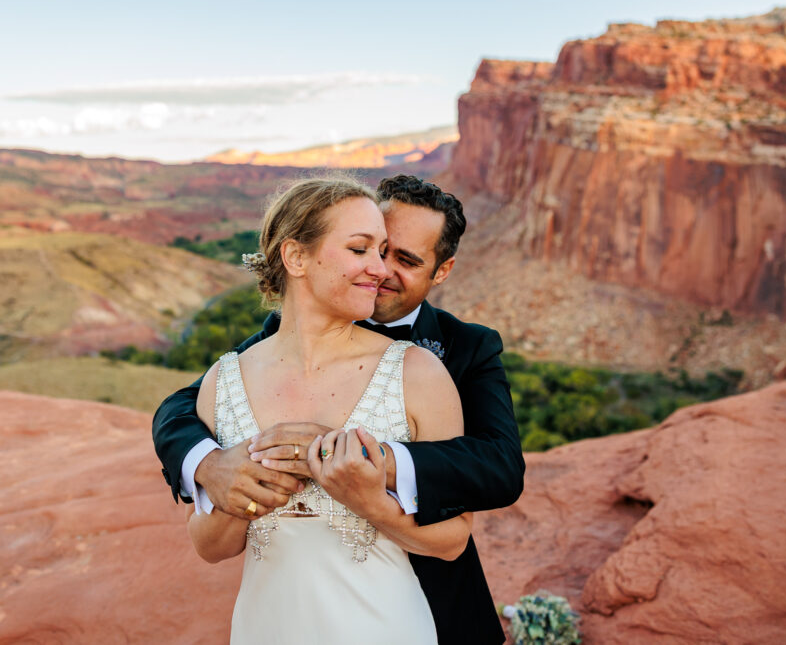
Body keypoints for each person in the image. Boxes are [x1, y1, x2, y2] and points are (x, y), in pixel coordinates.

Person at [153, 175, 525, 643]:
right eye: (368, 247)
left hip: (420, 607)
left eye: (403, 259)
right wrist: (211, 465)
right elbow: (183, 405)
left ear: (441, 271)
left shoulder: (456, 352)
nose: (381, 269)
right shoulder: (255, 355)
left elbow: (500, 467)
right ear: (298, 257)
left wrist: (363, 462)